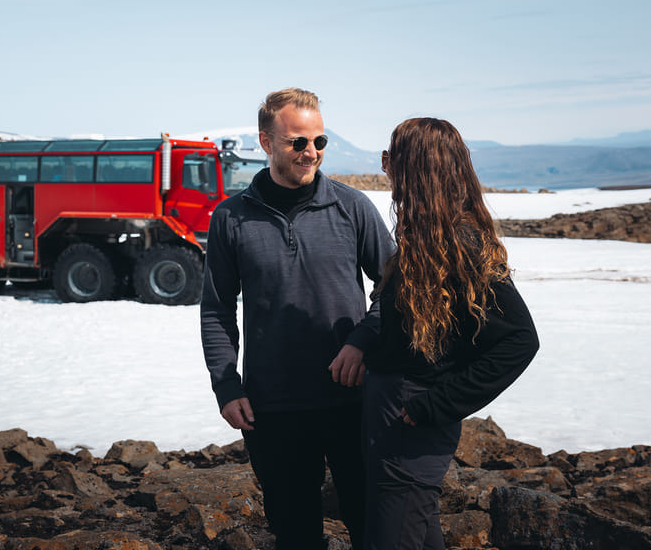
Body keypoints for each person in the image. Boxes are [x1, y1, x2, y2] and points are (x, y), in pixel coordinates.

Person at [201, 87, 394, 549]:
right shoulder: (231, 218)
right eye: (299, 142)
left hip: (353, 400)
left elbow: (398, 289)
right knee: (294, 532)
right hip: (274, 408)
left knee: (373, 525)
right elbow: (217, 308)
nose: (312, 153)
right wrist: (226, 386)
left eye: (320, 142)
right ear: (267, 143)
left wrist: (364, 340)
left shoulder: (352, 208)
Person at [363, 118, 539, 549]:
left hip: (413, 429)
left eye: (392, 159)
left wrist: (436, 405)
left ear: (418, 169)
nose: (386, 170)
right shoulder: (427, 239)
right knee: (421, 536)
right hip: (396, 425)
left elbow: (520, 338)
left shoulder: (461, 242)